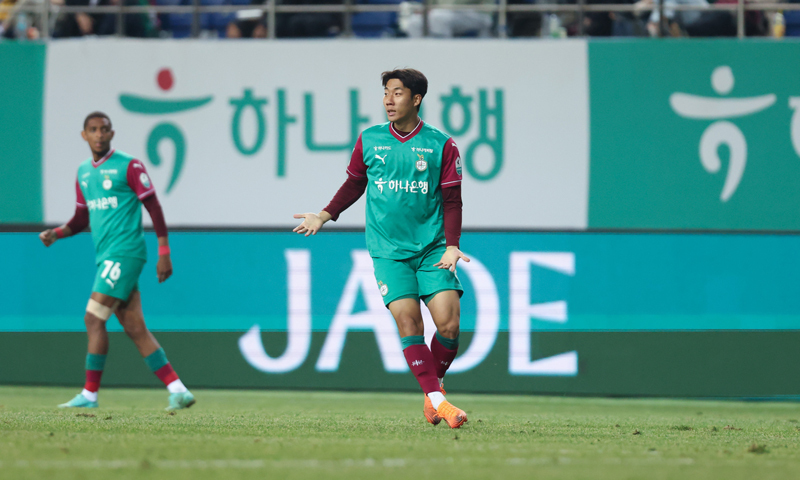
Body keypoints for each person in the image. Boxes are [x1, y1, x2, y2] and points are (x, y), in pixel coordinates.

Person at [293, 69, 469, 428]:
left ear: (416, 99)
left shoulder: (441, 145)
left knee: (449, 325)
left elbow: (453, 200)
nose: (389, 100)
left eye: (397, 93)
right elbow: (354, 184)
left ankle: (432, 388)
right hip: (388, 251)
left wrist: (452, 246)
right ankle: (440, 402)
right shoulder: (370, 139)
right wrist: (324, 215)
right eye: (386, 92)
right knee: (408, 321)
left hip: (432, 248)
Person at [39, 112, 194, 411]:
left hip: (125, 252)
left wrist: (164, 252)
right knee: (134, 326)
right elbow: (81, 218)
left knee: (93, 317)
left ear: (112, 134)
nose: (99, 134)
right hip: (107, 255)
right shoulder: (84, 172)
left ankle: (89, 394)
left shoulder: (129, 166)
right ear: (84, 135)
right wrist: (56, 233)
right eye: (93, 130)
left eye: (104, 129)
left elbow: (154, 207)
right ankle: (178, 390)